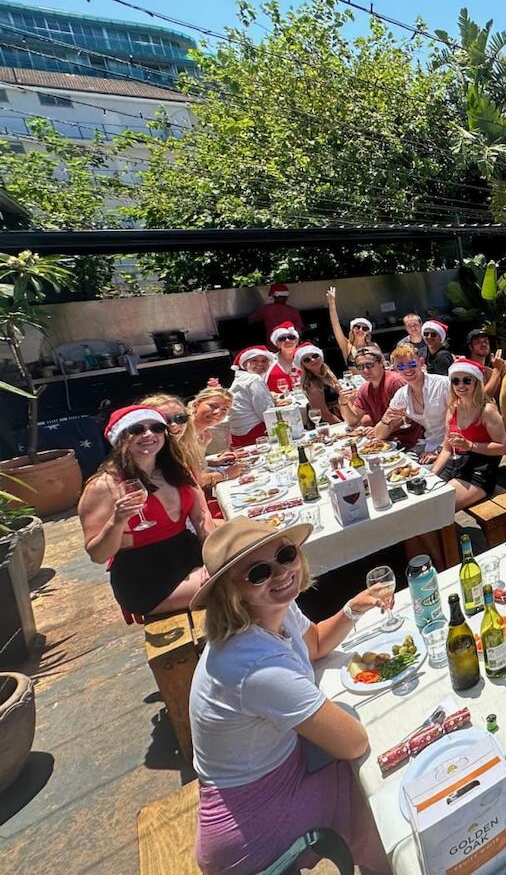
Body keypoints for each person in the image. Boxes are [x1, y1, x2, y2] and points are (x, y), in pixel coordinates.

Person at [188, 517, 391, 874]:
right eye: (258, 573)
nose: (280, 573)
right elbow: (353, 742)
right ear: (231, 590)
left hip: (270, 778)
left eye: (285, 554)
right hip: (250, 828)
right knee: (372, 788)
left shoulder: (272, 610)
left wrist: (351, 609)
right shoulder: (254, 665)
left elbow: (314, 643)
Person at [78, 406, 211, 617]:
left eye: (157, 427)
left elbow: (201, 517)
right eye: (137, 429)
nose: (149, 434)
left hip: (189, 555)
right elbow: (98, 554)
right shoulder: (103, 486)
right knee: (235, 584)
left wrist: (212, 558)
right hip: (147, 578)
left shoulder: (176, 470)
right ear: (120, 438)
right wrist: (117, 520)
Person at [434, 360, 506, 507]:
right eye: (456, 381)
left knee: (441, 506)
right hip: (455, 464)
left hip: (480, 469)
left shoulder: (487, 411)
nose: (461, 385)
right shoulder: (453, 408)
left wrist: (469, 445)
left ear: (476, 382)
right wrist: (433, 472)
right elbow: (447, 448)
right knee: (424, 499)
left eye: (466, 380)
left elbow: (503, 448)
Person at [342, 345, 423, 450]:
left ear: (381, 362)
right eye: (360, 367)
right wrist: (343, 403)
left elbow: (408, 416)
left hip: (410, 442)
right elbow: (352, 420)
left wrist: (378, 430)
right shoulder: (365, 389)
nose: (365, 371)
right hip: (384, 441)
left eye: (369, 365)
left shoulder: (395, 381)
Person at [374, 344, 449, 454]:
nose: (407, 369)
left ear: (421, 362)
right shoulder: (401, 395)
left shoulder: (443, 384)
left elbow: (460, 422)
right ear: (395, 370)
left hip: (452, 446)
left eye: (412, 364)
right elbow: (379, 435)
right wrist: (386, 419)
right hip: (429, 445)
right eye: (401, 367)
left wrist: (439, 450)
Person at [227, 347, 277, 447]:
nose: (260, 364)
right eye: (254, 360)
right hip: (255, 434)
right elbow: (266, 412)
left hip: (238, 435)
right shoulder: (254, 379)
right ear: (245, 364)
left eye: (264, 361)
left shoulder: (240, 379)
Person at [295, 343, 343, 426]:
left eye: (315, 356)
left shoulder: (328, 374)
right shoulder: (311, 383)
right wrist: (343, 425)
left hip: (340, 413)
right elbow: (323, 413)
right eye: (307, 360)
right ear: (303, 365)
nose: (313, 360)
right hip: (328, 423)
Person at [325, 285, 373, 364]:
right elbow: (335, 325)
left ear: (368, 332)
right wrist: (331, 304)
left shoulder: (373, 346)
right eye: (357, 327)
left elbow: (383, 363)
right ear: (352, 329)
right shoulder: (346, 345)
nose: (360, 330)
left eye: (365, 328)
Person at [463, 328, 505, 399]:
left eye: (486, 341)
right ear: (470, 347)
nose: (483, 344)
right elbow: (480, 399)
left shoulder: (490, 372)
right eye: (478, 342)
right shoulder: (465, 370)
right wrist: (497, 370)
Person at [266, 323, 300, 395]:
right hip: (278, 403)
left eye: (291, 337)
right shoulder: (269, 360)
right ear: (277, 344)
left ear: (296, 341)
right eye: (282, 339)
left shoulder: (306, 358)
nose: (287, 340)